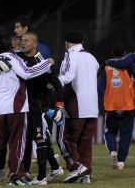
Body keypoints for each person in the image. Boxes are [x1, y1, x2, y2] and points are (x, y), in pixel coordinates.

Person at [0, 33, 53, 186]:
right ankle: (15, 176)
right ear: (9, 44)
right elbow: (26, 73)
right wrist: (46, 63)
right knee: (17, 143)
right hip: (17, 107)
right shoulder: (12, 58)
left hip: (0, 107)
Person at [17, 31, 64, 185]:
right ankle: (55, 167)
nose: (23, 43)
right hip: (27, 105)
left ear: (35, 44)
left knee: (39, 137)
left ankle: (41, 177)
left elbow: (56, 83)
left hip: (38, 105)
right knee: (36, 137)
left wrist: (58, 105)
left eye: (26, 40)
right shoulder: (22, 57)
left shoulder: (41, 61)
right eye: (22, 40)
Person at [57, 32, 99, 183]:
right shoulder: (91, 57)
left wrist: (52, 85)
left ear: (67, 43)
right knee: (85, 142)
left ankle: (76, 167)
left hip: (77, 105)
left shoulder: (70, 55)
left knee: (67, 139)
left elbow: (66, 77)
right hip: (93, 106)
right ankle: (86, 174)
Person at [99, 43, 135, 170]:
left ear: (112, 53)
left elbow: (100, 88)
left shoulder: (107, 67)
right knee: (125, 135)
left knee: (110, 132)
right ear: (124, 53)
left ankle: (113, 151)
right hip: (128, 105)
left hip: (112, 105)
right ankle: (121, 161)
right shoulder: (131, 65)